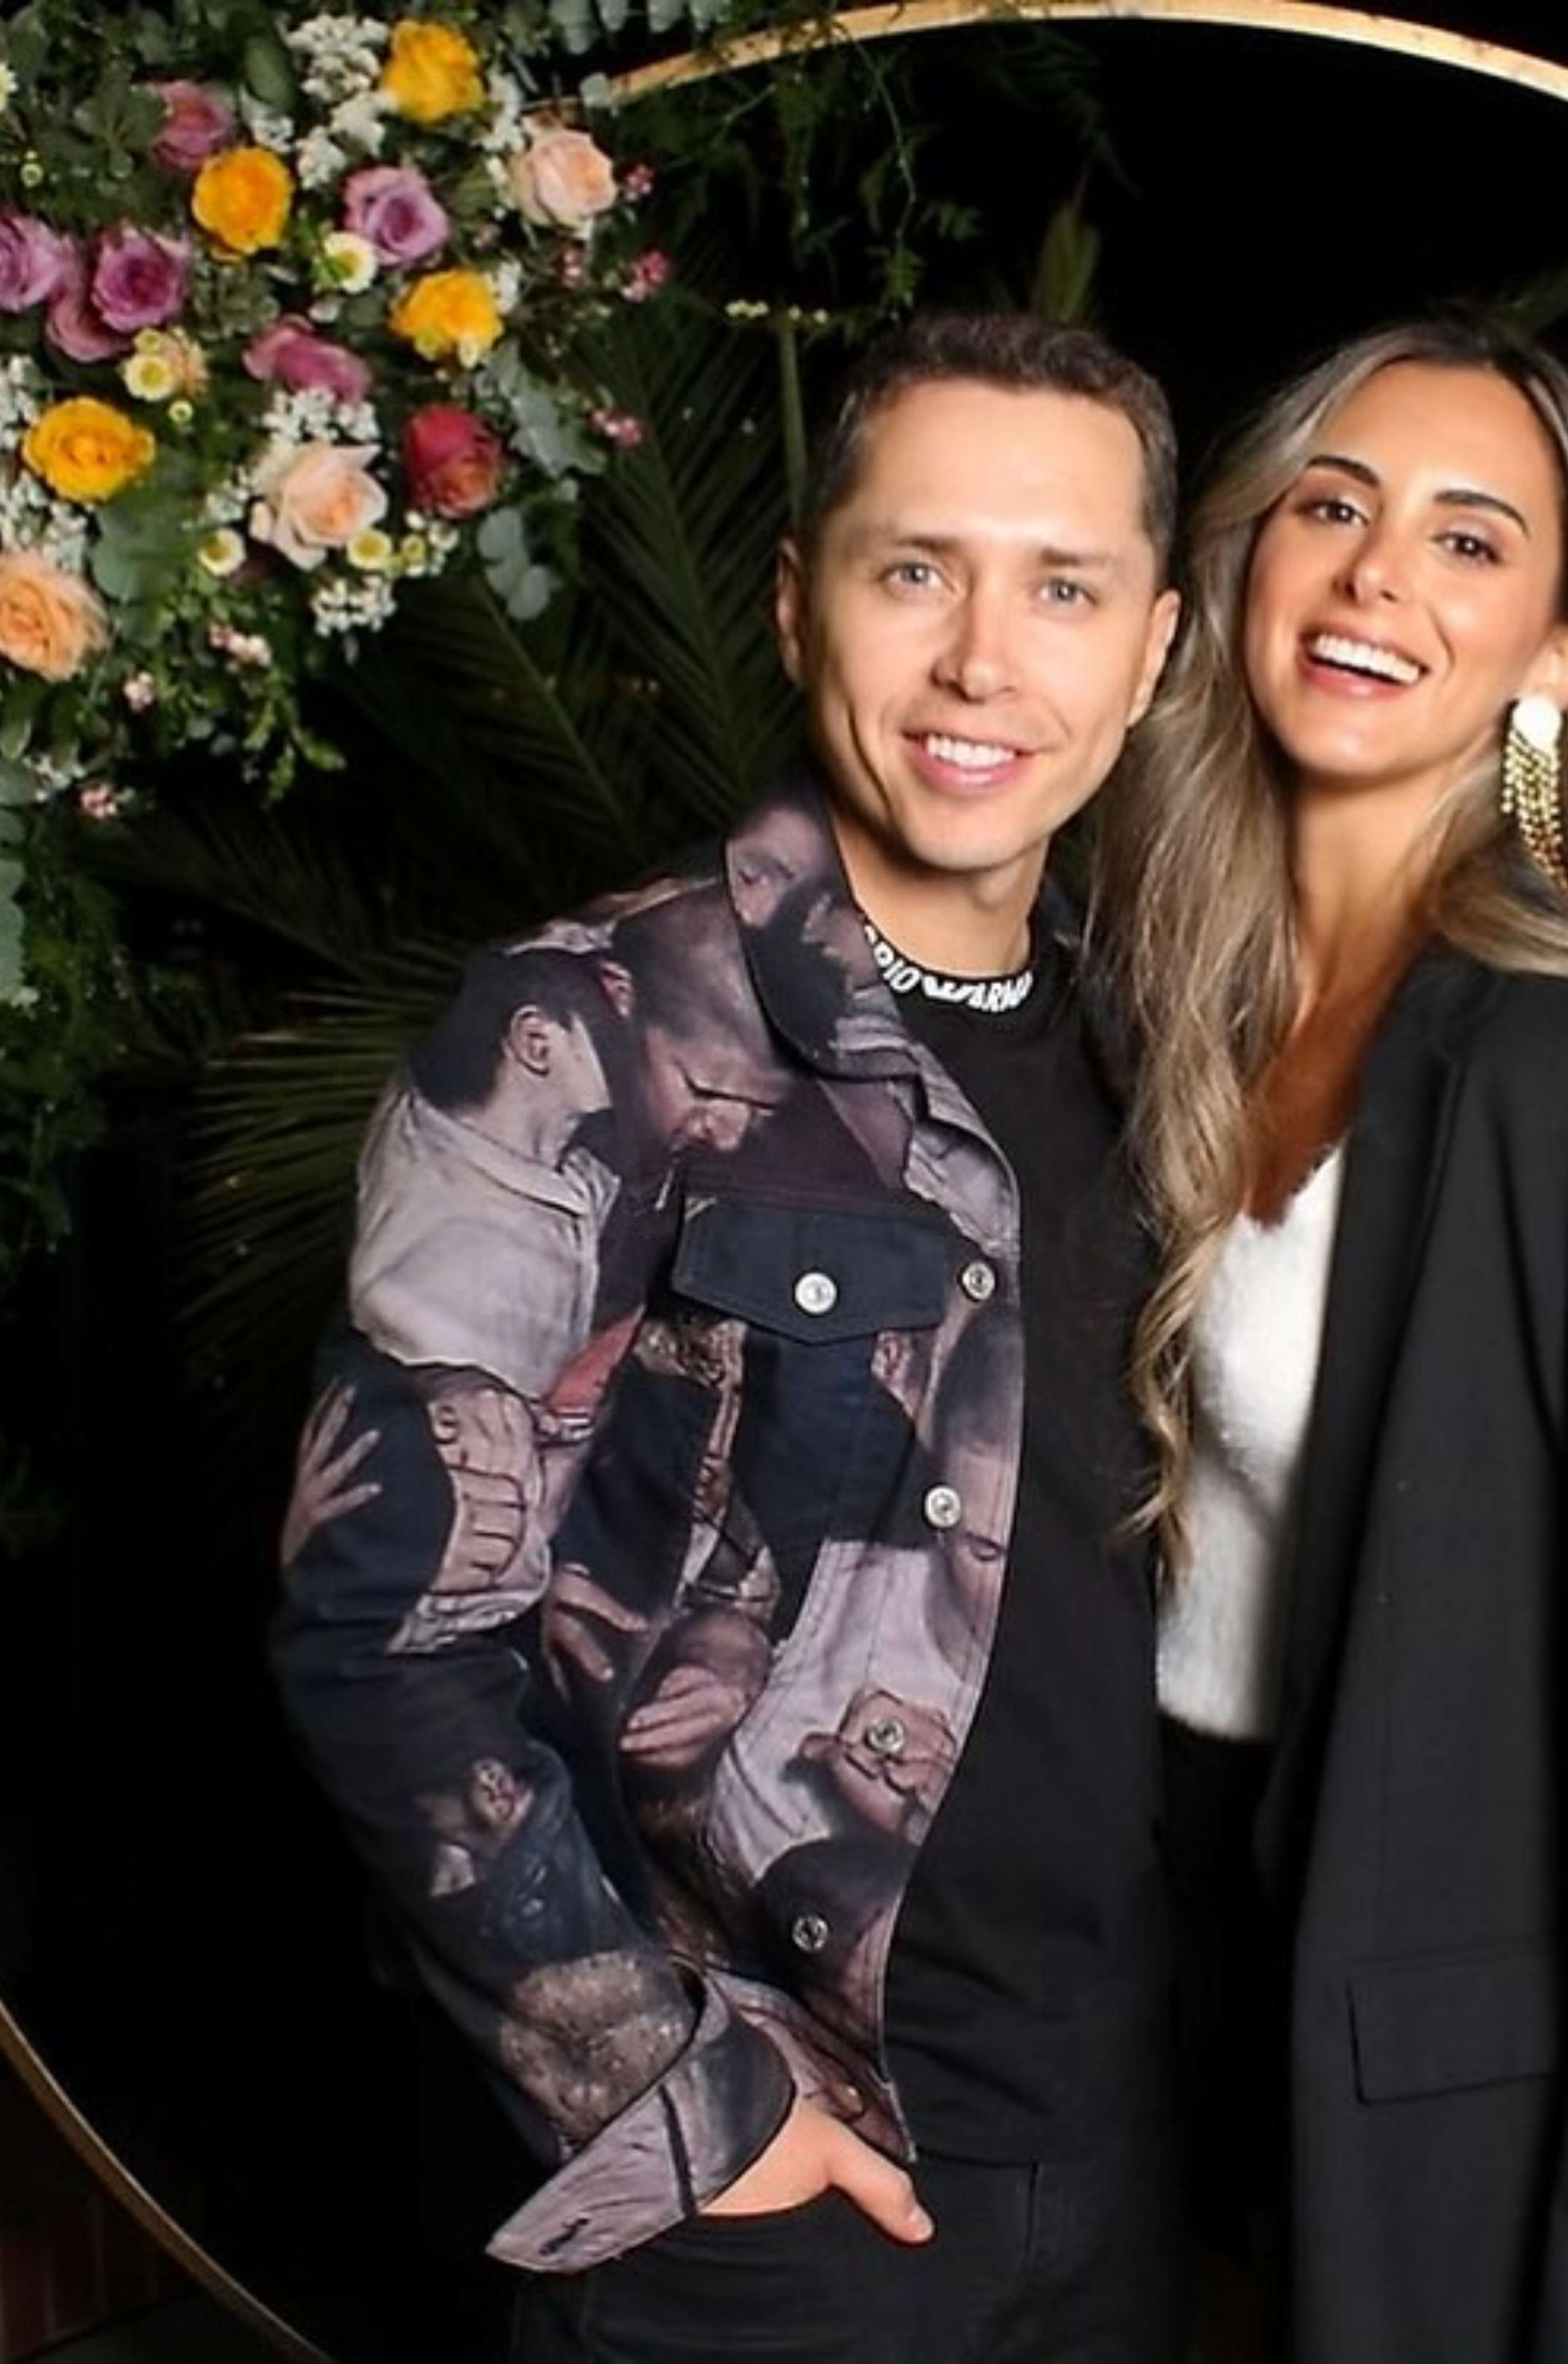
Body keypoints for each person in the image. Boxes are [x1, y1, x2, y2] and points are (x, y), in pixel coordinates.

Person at [271, 309, 1185, 2363]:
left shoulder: (1172, 1054)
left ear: (1151, 653)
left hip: (1113, 2153)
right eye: (915, 569)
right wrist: (672, 2096)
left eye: (1062, 588)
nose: (983, 660)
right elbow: (380, 1632)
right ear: (795, 602)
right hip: (767, 2184)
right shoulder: (584, 1030)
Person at [1094, 318, 1568, 2363]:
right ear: (1242, 568)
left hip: (1412, 2114)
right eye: (1333, 507)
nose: (1377, 576)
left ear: (1562, 658)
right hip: (1104, 2011)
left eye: (1468, 540)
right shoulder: (1132, 1014)